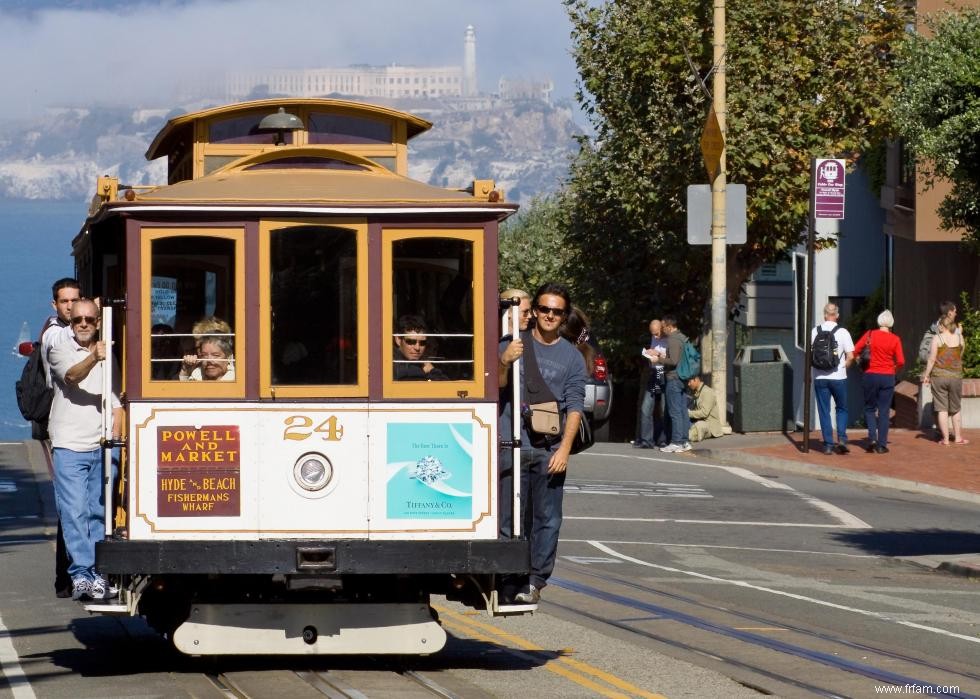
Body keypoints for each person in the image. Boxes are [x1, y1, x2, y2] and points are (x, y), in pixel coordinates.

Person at [498, 282, 586, 604]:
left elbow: (575, 407)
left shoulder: (572, 357)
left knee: (547, 518)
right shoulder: (512, 344)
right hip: (510, 444)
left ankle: (535, 580)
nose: (549, 315)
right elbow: (494, 385)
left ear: (563, 317)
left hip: (548, 449)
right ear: (534, 311)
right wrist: (505, 360)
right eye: (544, 309)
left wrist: (564, 449)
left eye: (556, 311)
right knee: (509, 517)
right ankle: (509, 577)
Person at [47, 298, 123, 601]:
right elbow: (71, 377)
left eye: (89, 320)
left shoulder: (109, 355)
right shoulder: (60, 348)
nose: (82, 325)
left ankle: (99, 574)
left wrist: (114, 440)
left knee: (99, 512)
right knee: (73, 511)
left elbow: (116, 402)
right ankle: (81, 574)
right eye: (77, 319)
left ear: (98, 322)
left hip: (101, 445)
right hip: (69, 444)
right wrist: (94, 356)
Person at [39, 278, 81, 598]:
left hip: (86, 427)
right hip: (65, 426)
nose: (70, 306)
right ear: (55, 304)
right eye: (65, 301)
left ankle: (69, 575)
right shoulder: (54, 334)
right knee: (69, 506)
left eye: (75, 300)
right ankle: (65, 577)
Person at [853, 310, 905, 454]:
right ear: (891, 324)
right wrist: (893, 369)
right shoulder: (895, 339)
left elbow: (856, 349)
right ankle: (882, 444)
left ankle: (871, 438)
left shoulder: (870, 334)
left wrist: (858, 361)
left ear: (878, 321)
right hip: (887, 376)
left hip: (870, 375)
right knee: (884, 410)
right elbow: (901, 361)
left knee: (870, 408)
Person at [811, 303, 855, 455]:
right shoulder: (843, 332)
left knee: (824, 411)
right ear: (837, 315)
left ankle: (828, 445)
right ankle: (842, 438)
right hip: (838, 377)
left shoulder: (814, 332)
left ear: (824, 315)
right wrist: (844, 368)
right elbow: (851, 356)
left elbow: (809, 355)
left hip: (819, 377)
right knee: (841, 408)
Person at [922, 315, 968, 446]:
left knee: (942, 408)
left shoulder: (937, 338)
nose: (938, 328)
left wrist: (926, 375)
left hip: (939, 377)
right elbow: (961, 353)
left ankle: (946, 439)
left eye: (939, 326)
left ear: (942, 326)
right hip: (955, 377)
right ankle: (958, 437)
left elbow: (931, 359)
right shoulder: (960, 337)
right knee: (956, 408)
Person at [652, 314, 692, 453]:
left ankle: (676, 442)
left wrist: (658, 359)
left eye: (663, 327)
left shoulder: (673, 339)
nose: (663, 330)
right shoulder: (682, 337)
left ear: (669, 326)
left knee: (674, 411)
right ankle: (684, 441)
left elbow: (673, 361)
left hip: (674, 378)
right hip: (682, 378)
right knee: (682, 411)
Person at [635, 319, 669, 448]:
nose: (655, 336)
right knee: (646, 407)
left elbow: (672, 357)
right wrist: (649, 353)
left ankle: (664, 439)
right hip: (654, 373)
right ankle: (646, 440)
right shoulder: (654, 337)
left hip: (664, 373)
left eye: (657, 333)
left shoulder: (668, 338)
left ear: (662, 328)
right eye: (652, 333)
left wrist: (658, 353)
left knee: (664, 408)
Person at [393, 314, 447, 380]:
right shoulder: (392, 364)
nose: (417, 348)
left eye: (422, 343)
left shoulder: (422, 364)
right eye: (411, 342)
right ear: (398, 340)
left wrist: (432, 370)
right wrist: (430, 371)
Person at [687, 374, 724, 443]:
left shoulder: (707, 392)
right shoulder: (695, 391)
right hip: (697, 420)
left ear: (696, 379)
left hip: (709, 425)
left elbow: (704, 413)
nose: (688, 384)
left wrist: (688, 413)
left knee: (698, 427)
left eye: (690, 382)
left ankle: (685, 437)